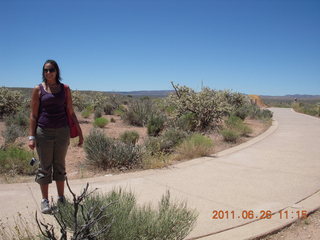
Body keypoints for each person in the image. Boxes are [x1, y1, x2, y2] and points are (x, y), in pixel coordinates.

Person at [28, 59, 83, 214]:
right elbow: (33, 115)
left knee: (60, 165)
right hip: (43, 132)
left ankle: (61, 198)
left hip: (62, 132)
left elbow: (71, 112)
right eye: (45, 70)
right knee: (45, 166)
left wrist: (80, 132)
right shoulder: (38, 89)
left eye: (51, 70)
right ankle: (45, 201)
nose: (48, 73)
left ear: (57, 71)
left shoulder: (65, 89)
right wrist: (31, 137)